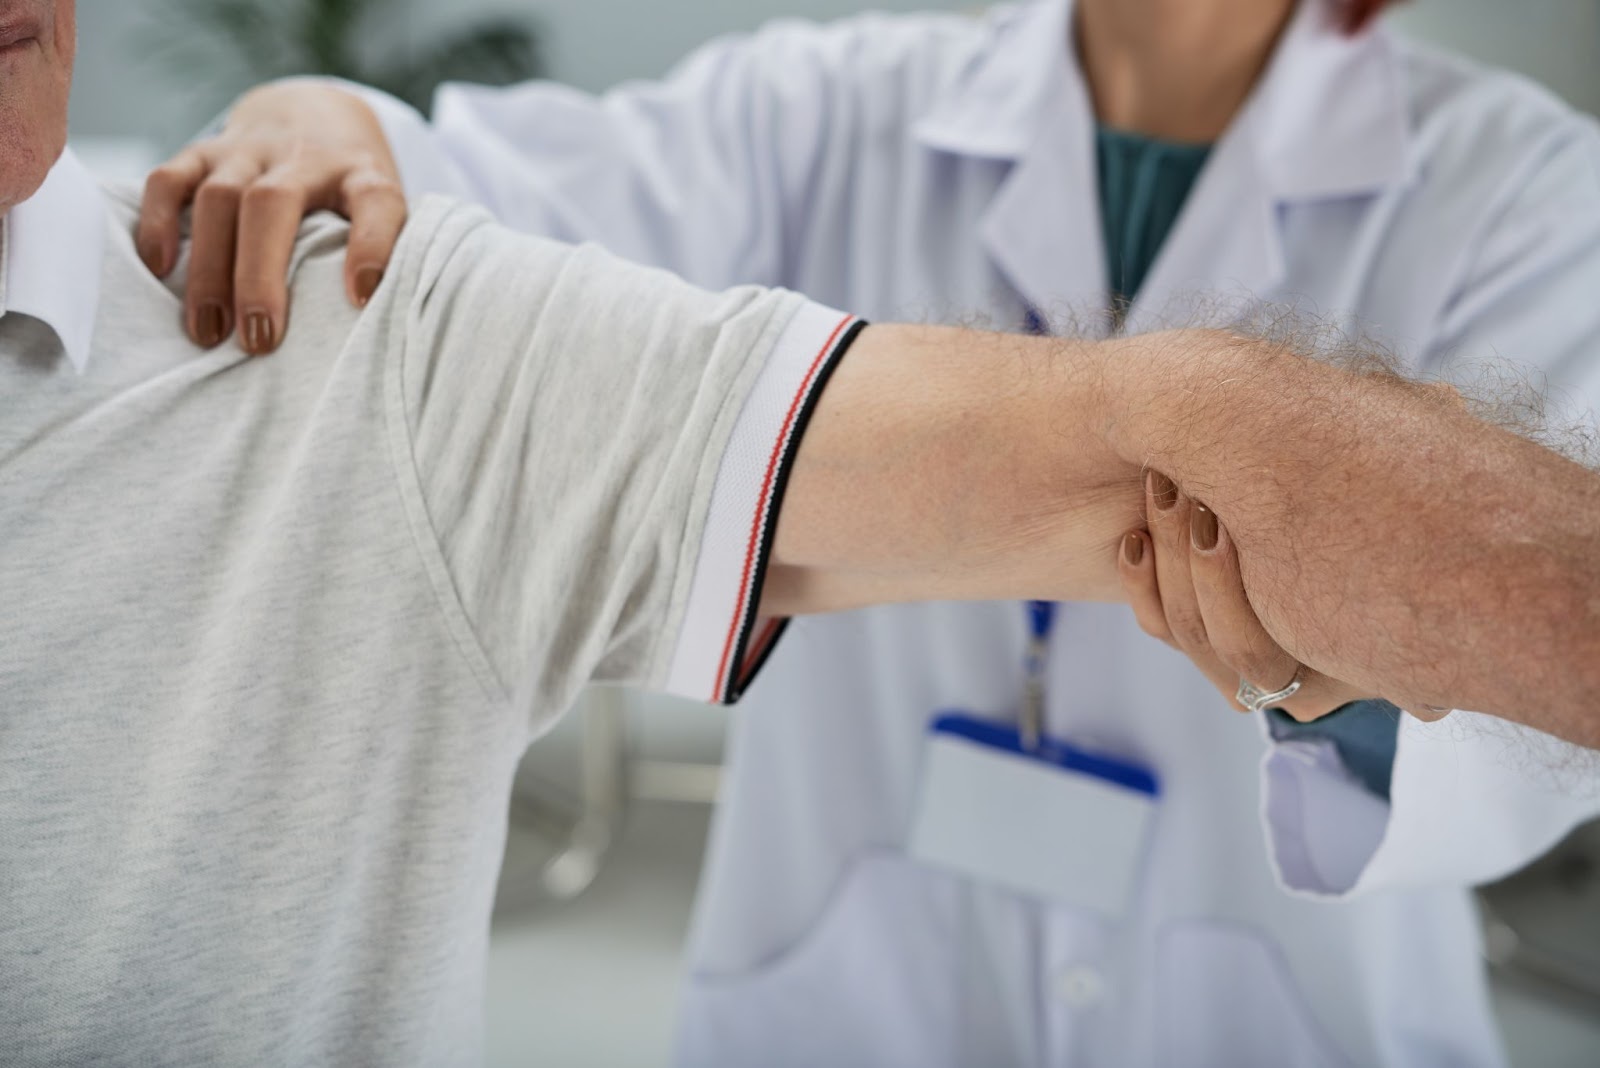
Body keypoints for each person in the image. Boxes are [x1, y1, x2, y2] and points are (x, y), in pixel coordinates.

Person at [63, 2, 1600, 1066]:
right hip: (847, 984)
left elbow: (1547, 657)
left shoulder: (1526, 187)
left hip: (1291, 999)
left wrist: (1369, 670)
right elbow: (468, 242)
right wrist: (332, 119)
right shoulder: (814, 106)